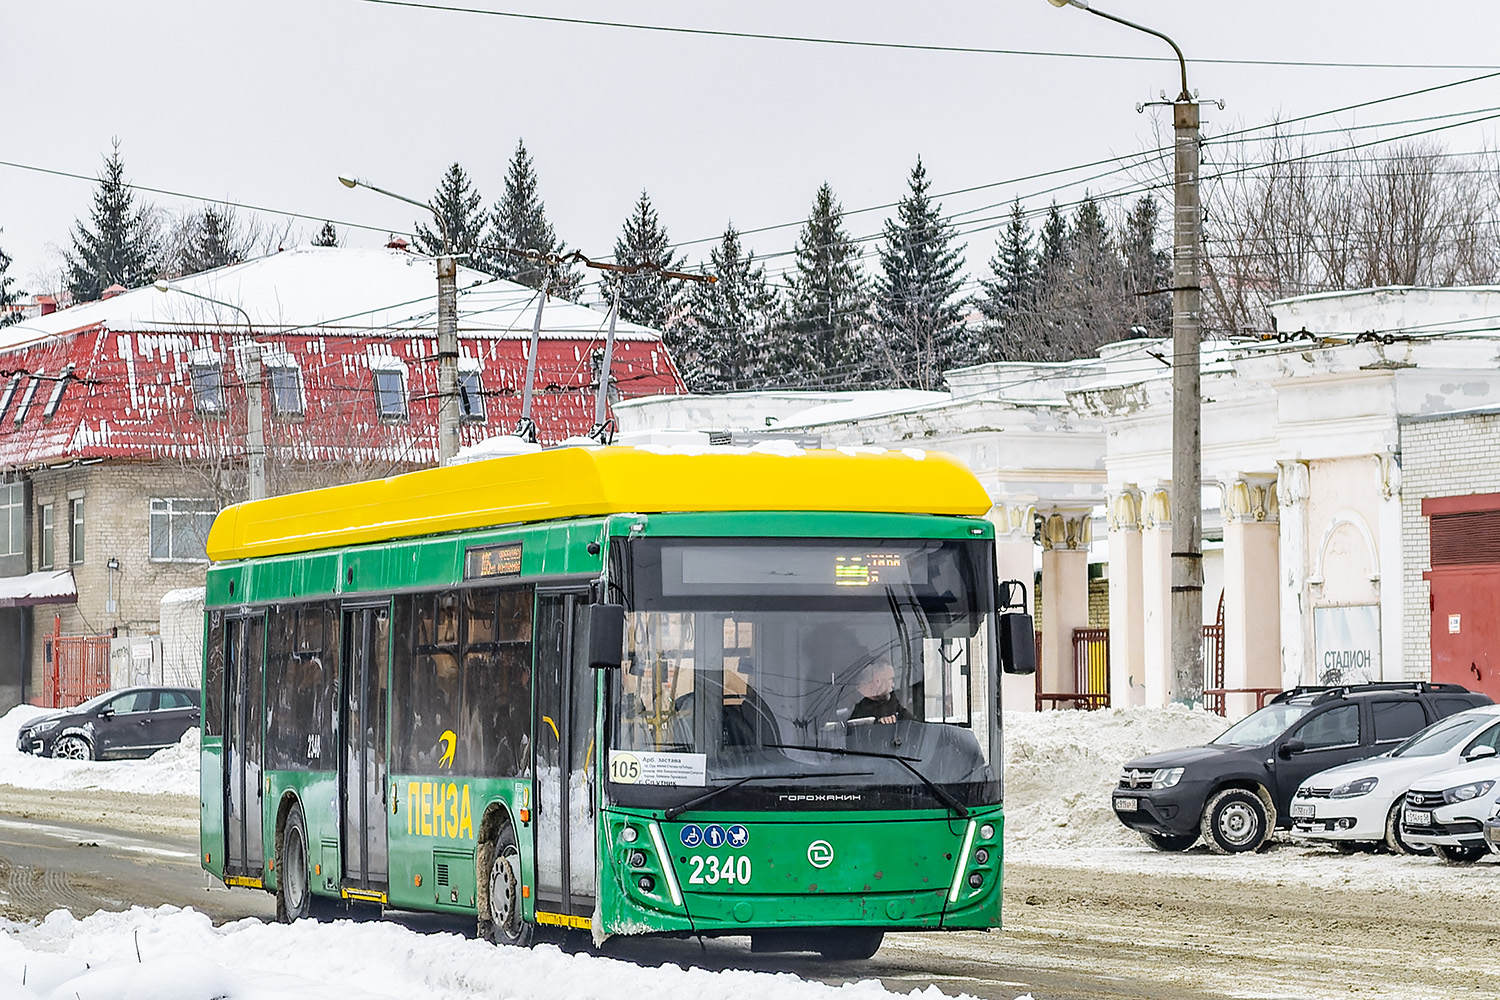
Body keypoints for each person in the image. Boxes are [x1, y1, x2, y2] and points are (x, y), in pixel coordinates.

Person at [849, 659, 912, 725]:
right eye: (890, 679)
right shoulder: (857, 709)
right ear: (877, 681)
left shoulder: (891, 701)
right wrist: (880, 725)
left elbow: (912, 722)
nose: (893, 684)